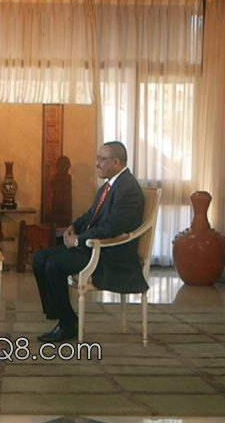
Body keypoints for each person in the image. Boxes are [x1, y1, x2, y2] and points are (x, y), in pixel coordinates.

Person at [32, 141, 147, 342]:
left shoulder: (128, 189)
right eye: (97, 158)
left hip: (110, 255)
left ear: (116, 162)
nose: (97, 163)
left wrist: (78, 240)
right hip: (94, 247)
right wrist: (73, 227)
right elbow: (91, 215)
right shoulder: (110, 185)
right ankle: (64, 316)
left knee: (54, 265)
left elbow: (111, 228)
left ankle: (67, 323)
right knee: (39, 259)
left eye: (102, 159)